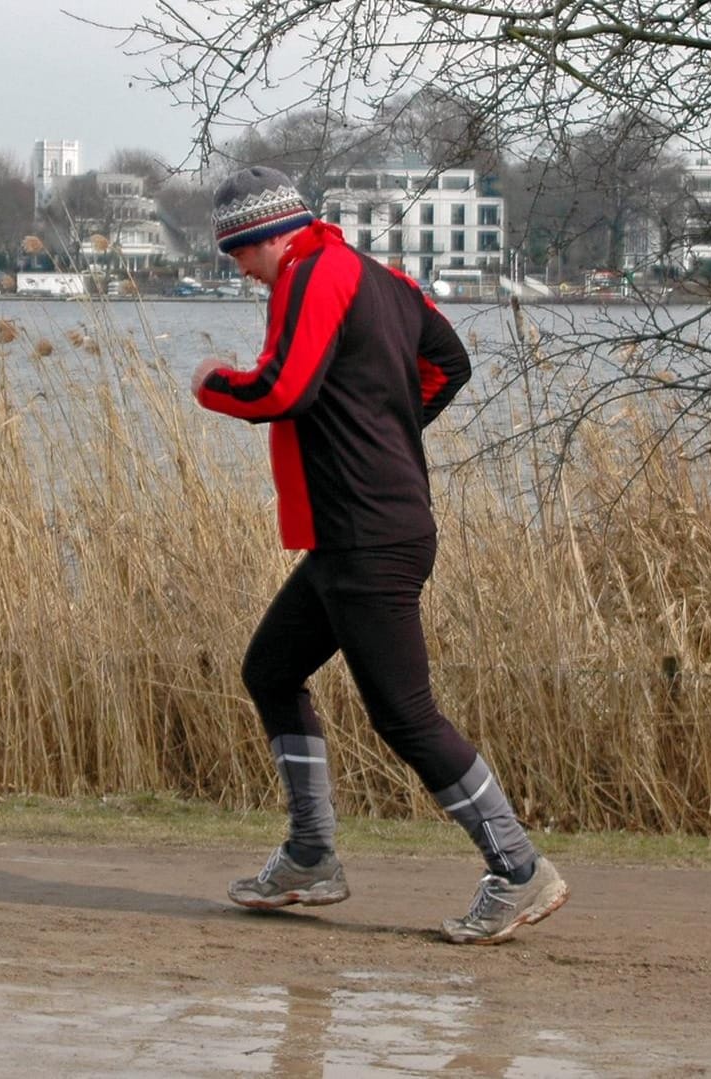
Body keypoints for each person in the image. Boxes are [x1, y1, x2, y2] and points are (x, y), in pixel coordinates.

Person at [189, 166, 569, 945]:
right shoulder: (383, 279)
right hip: (356, 530)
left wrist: (213, 383)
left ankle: (520, 868)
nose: (240, 269)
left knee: (405, 714)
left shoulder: (311, 275)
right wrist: (388, 432)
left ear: (266, 235)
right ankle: (310, 855)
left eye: (238, 253)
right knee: (270, 668)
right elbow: (450, 363)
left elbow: (282, 389)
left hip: (367, 532)